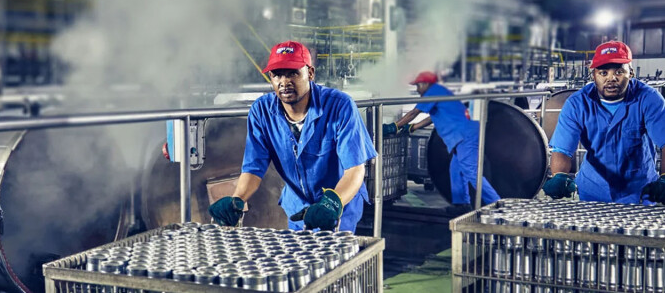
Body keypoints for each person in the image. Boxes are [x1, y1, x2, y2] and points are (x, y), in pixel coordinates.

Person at [209, 41, 377, 231]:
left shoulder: (339, 106)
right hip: (298, 208)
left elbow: (355, 169)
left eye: (293, 73)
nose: (284, 82)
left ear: (310, 73)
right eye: (277, 74)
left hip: (338, 205)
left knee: (335, 258)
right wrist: (237, 200)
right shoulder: (262, 111)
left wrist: (333, 204)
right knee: (301, 258)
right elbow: (253, 167)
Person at [544, 41, 665, 205]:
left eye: (619, 72)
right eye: (603, 73)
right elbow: (562, 148)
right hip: (593, 191)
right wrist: (560, 176)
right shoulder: (577, 103)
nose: (611, 79)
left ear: (631, 73)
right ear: (594, 75)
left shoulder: (648, 98)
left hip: (639, 192)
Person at [384, 71, 500, 211]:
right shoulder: (440, 92)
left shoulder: (433, 91)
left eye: (418, 86)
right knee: (456, 170)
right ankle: (461, 205)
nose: (417, 90)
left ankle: (497, 205)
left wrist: (396, 125)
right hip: (463, 135)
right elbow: (432, 117)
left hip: (464, 135)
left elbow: (414, 113)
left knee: (471, 171)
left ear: (426, 84)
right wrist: (413, 127)